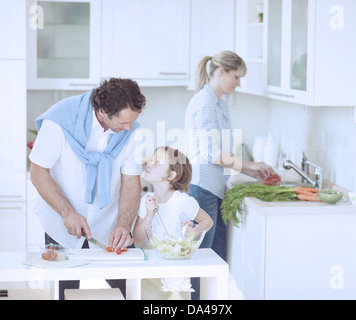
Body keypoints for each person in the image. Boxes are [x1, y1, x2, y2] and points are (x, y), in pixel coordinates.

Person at [29, 78, 146, 299]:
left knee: (126, 291)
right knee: (62, 293)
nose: (129, 127)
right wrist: (67, 213)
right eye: (123, 122)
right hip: (61, 226)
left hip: (110, 229)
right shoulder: (59, 120)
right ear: (102, 111)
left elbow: (131, 184)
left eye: (132, 121)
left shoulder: (133, 132)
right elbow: (38, 172)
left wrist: (123, 223)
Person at [184, 51, 277, 298]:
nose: (238, 83)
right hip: (202, 189)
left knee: (216, 260)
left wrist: (251, 169)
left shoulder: (218, 103)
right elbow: (211, 154)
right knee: (203, 261)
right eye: (236, 76)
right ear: (221, 72)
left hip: (213, 190)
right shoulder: (204, 103)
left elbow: (220, 155)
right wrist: (249, 164)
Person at [133, 146, 213, 299]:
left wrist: (194, 231)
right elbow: (137, 238)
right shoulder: (146, 200)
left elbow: (207, 221)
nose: (149, 164)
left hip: (178, 271)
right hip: (152, 270)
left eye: (157, 162)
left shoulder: (182, 201)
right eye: (151, 160)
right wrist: (149, 215)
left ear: (171, 175)